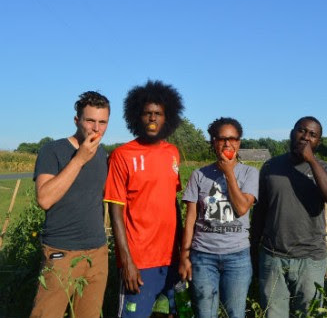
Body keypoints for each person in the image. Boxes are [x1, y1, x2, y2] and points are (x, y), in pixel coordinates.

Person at [104, 80, 184, 317]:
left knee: (170, 314)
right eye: (147, 113)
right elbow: (115, 210)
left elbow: (173, 204)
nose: (152, 118)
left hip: (170, 257)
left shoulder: (172, 153)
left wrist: (181, 251)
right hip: (139, 260)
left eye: (158, 114)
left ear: (166, 117)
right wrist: (126, 262)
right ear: (136, 117)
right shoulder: (122, 155)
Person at [250, 116, 327, 317]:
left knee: (309, 314)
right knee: (273, 314)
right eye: (301, 131)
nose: (305, 137)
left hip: (310, 259)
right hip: (273, 256)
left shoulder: (325, 169)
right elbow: (260, 211)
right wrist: (253, 247)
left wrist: (311, 160)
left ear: (319, 142)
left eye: (312, 135)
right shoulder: (271, 166)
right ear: (292, 133)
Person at [31, 91, 110, 318]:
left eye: (102, 122)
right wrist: (79, 159)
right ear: (77, 121)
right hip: (61, 251)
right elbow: (44, 199)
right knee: (46, 314)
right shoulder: (52, 150)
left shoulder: (102, 154)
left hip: (97, 252)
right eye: (90, 120)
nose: (96, 128)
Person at [179, 117, 259, 318]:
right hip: (203, 256)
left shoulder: (250, 173)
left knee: (235, 313)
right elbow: (190, 219)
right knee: (205, 313)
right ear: (213, 142)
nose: (227, 143)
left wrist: (229, 173)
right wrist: (184, 255)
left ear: (239, 142)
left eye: (233, 139)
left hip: (237, 257)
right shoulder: (199, 175)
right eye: (221, 138)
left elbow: (241, 208)